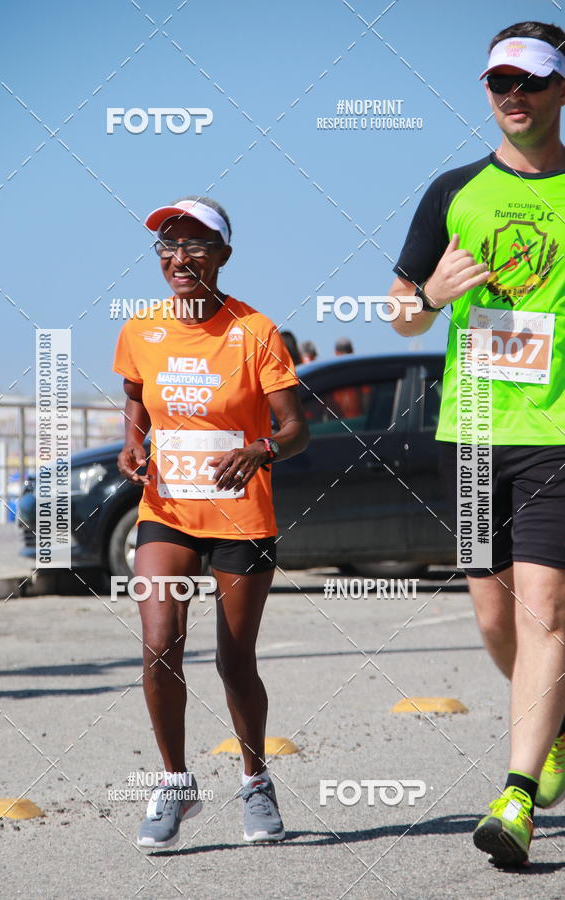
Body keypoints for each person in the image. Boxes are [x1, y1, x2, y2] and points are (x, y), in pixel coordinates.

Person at [388, 21, 565, 866]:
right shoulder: (453, 189)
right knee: (495, 615)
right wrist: (430, 291)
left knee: (546, 612)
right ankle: (553, 721)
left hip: (559, 436)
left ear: (561, 90)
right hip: (474, 431)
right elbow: (398, 310)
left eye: (530, 81)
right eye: (500, 82)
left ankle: (517, 798)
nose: (514, 95)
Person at [113, 195, 309, 849]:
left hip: (241, 516)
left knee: (234, 660)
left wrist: (261, 449)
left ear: (223, 254)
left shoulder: (254, 331)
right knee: (160, 639)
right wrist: (131, 446)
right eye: (168, 244)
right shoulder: (141, 329)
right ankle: (174, 785)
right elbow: (137, 404)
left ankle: (255, 779)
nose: (180, 256)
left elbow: (295, 429)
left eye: (196, 243)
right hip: (166, 510)